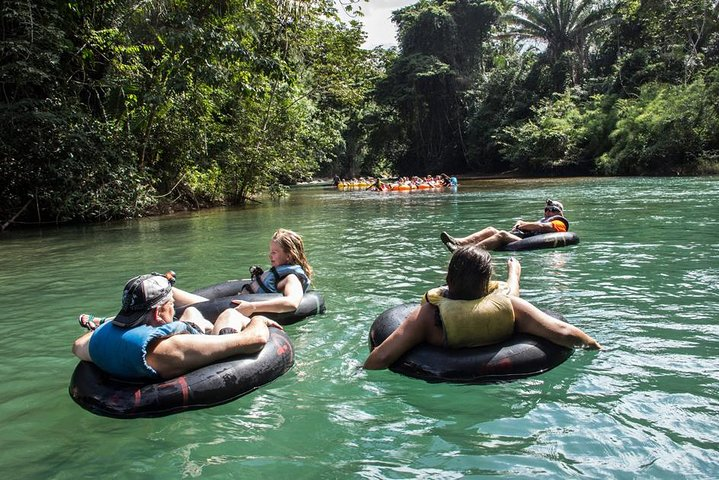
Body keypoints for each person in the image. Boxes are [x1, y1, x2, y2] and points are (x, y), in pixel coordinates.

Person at [364, 245, 600, 370]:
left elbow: (383, 356)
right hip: (510, 384)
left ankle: (514, 273)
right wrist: (596, 347)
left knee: (510, 291)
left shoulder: (429, 315)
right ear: (487, 283)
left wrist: (358, 371)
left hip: (445, 389)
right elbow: (564, 332)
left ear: (448, 278)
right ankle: (514, 272)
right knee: (511, 290)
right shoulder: (512, 307)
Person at [72, 272, 282, 380]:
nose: (173, 309)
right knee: (229, 314)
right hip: (198, 349)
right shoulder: (173, 348)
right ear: (158, 312)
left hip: (166, 340)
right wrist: (259, 320)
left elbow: (79, 344)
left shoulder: (95, 341)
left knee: (191, 313)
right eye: (171, 305)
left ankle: (201, 324)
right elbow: (255, 340)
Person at [171, 228, 313, 317]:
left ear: (289, 255)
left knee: (171, 293)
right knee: (174, 296)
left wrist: (252, 307)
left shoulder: (291, 278)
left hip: (235, 308)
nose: (270, 256)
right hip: (231, 302)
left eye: (274, 252)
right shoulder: (280, 273)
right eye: (270, 252)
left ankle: (158, 292)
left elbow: (292, 303)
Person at [440, 199, 569, 252]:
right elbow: (537, 226)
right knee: (491, 230)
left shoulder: (559, 222)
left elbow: (543, 228)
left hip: (529, 242)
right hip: (523, 238)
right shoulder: (544, 219)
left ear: (559, 212)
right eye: (546, 209)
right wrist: (521, 225)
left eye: (552, 209)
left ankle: (468, 253)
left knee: (501, 234)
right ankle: (459, 243)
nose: (548, 212)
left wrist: (523, 224)